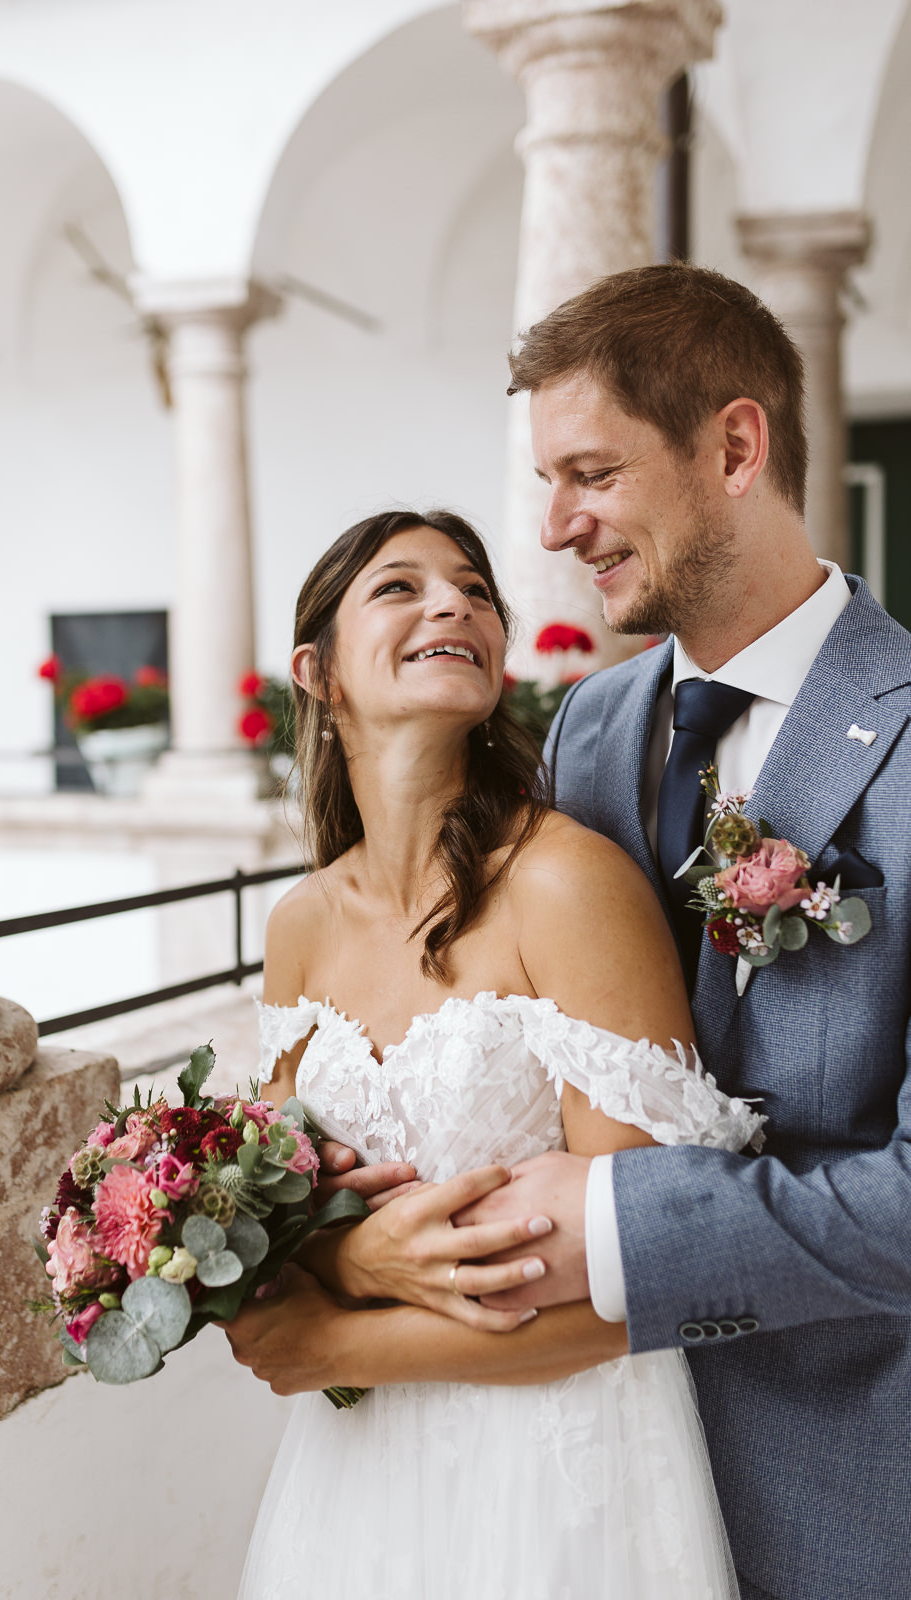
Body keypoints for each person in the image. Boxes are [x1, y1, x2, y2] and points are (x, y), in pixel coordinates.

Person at [419, 265, 911, 1600]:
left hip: (841, 1490)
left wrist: (619, 1218)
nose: (555, 527)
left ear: (733, 447)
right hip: (588, 1475)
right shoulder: (589, 725)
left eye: (590, 473)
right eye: (545, 481)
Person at [224, 507, 762, 1599]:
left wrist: (341, 1346)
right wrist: (348, 1262)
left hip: (559, 1470)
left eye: (472, 588)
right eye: (399, 586)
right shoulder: (299, 926)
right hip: (359, 1484)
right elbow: (272, 1220)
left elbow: (649, 1272)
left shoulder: (565, 883)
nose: (452, 603)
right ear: (315, 671)